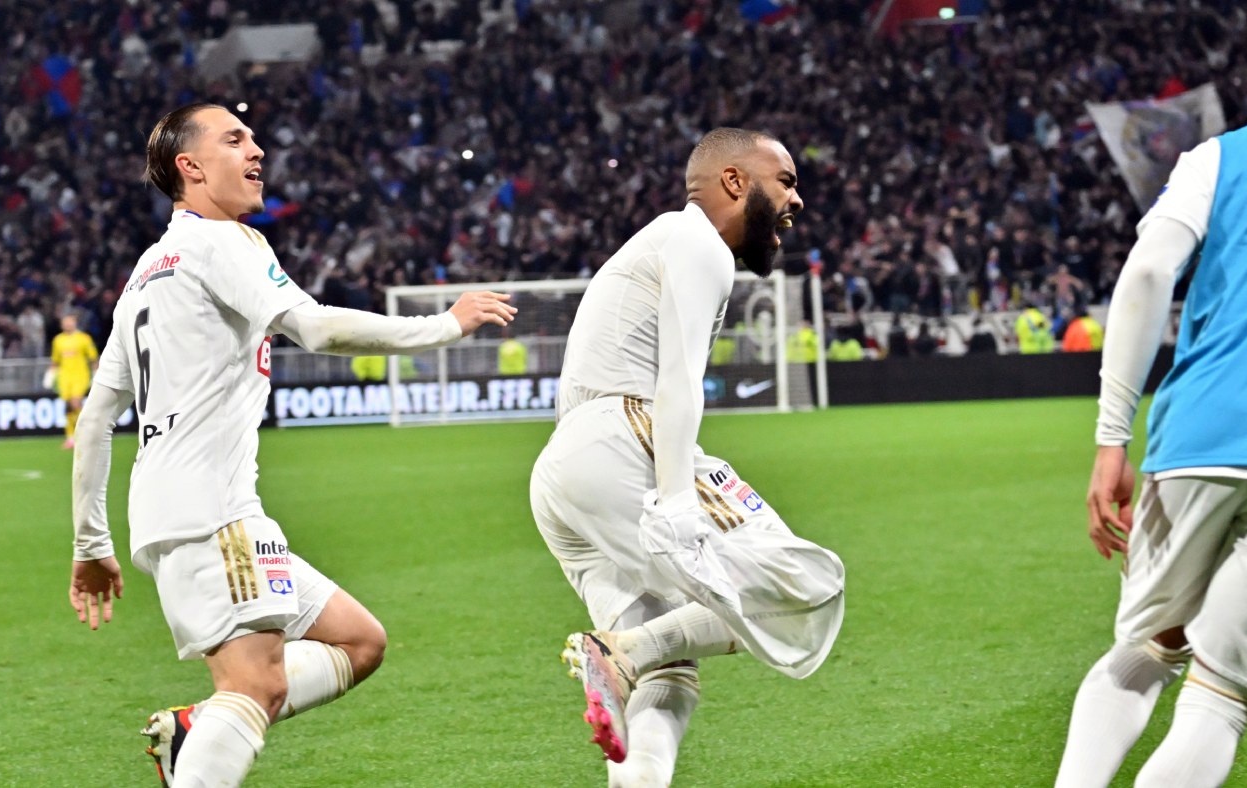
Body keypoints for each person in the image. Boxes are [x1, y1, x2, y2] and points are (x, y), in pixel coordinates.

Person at [67, 103, 516, 788]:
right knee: (256, 688)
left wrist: (91, 542)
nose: (257, 150)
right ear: (190, 167)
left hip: (182, 510)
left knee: (358, 641)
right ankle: (208, 737)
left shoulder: (147, 271)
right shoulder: (224, 242)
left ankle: (197, 728)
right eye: (234, 139)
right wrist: (444, 326)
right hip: (212, 511)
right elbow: (316, 328)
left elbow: (97, 418)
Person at [1056, 4, 1247, 785]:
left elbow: (1149, 272)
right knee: (1221, 698)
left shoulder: (1221, 154)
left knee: (1146, 649)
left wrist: (1112, 438)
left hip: (1198, 436)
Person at [531, 128, 845, 785]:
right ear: (735, 181)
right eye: (785, 181)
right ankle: (623, 651)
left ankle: (630, 664)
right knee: (808, 586)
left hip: (564, 474)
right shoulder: (700, 242)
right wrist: (676, 504)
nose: (797, 200)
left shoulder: (666, 239)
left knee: (670, 675)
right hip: (624, 436)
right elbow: (678, 381)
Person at [49, 313, 99, 449]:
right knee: (68, 407)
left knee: (75, 403)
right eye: (65, 322)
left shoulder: (84, 338)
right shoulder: (58, 340)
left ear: (75, 322)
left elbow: (93, 358)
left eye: (70, 321)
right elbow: (55, 360)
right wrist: (50, 375)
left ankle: (85, 433)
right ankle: (71, 437)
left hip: (80, 376)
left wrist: (96, 373)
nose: (68, 324)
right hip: (64, 378)